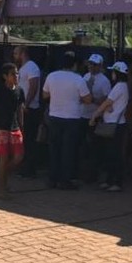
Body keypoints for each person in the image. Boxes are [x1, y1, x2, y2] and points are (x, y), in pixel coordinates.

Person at [42, 51, 91, 190]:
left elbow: (45, 95)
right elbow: (88, 99)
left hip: (55, 116)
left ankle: (52, 178)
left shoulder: (52, 76)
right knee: (68, 150)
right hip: (72, 118)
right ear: (74, 65)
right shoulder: (78, 79)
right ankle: (66, 180)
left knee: (54, 148)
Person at [89, 61, 131, 192]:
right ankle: (110, 180)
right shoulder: (122, 86)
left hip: (114, 125)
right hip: (114, 124)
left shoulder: (119, 86)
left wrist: (95, 115)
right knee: (111, 153)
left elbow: (107, 101)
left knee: (114, 154)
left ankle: (116, 181)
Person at [0, 63, 25, 199]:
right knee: (4, 158)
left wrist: (22, 126)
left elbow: (20, 109)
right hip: (1, 128)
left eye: (17, 73)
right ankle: (1, 188)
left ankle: (2, 175)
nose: (16, 76)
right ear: (5, 76)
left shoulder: (19, 91)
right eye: (13, 74)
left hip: (14, 127)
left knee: (18, 157)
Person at [81, 54, 112, 183]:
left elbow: (106, 99)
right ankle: (83, 172)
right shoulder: (85, 77)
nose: (91, 67)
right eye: (90, 64)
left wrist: (92, 100)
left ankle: (93, 174)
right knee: (84, 146)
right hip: (83, 114)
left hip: (95, 117)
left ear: (100, 66)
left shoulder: (104, 81)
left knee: (95, 146)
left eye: (94, 64)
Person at [14, 46, 42, 178]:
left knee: (29, 139)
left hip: (30, 109)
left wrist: (27, 103)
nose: (14, 55)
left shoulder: (32, 67)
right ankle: (24, 166)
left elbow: (33, 86)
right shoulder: (23, 67)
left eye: (16, 52)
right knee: (24, 139)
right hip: (22, 107)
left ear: (23, 53)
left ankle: (30, 169)